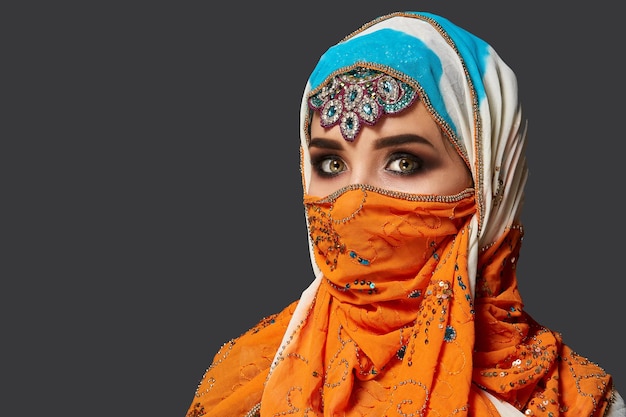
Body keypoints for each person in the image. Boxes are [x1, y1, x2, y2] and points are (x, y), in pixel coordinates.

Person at [185, 11, 625, 417]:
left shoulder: (570, 403)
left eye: (404, 162)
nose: (351, 201)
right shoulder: (250, 386)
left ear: (492, 181)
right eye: (331, 164)